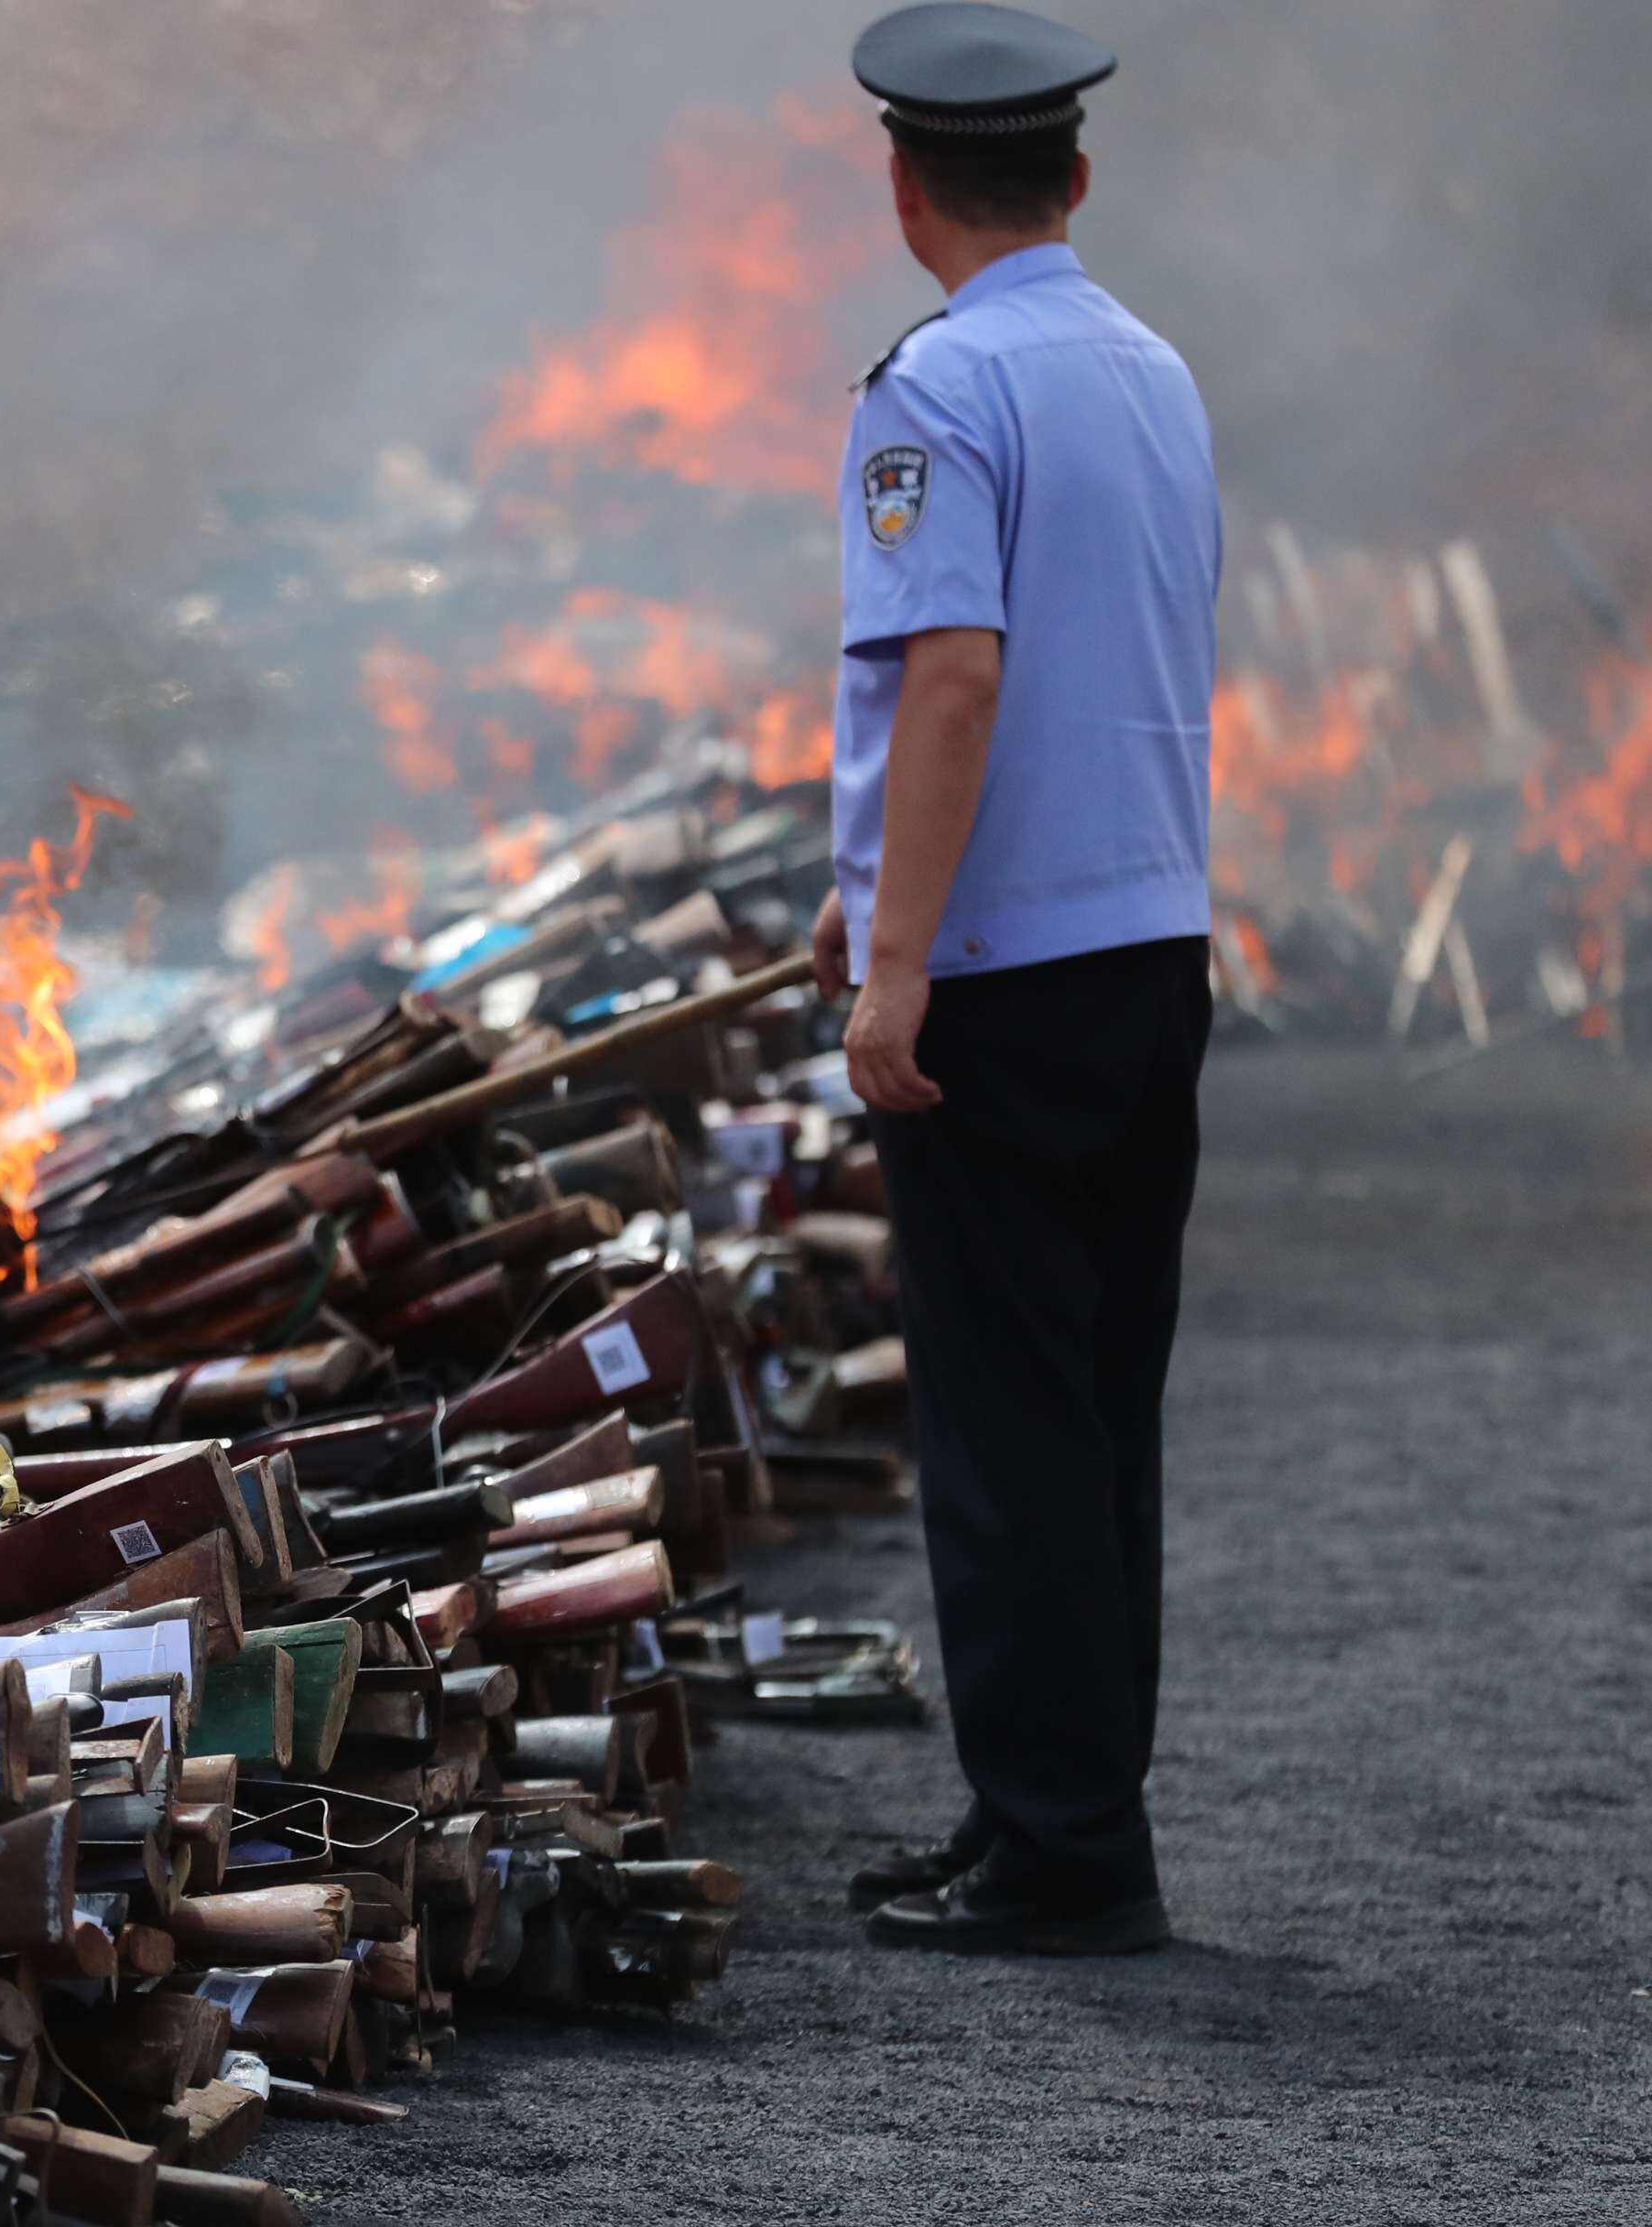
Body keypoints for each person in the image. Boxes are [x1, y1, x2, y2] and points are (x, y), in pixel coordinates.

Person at [811, 4, 1221, 1955]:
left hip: (1002, 987)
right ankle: (1058, 1815)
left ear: (908, 185)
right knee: (1099, 1411)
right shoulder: (1154, 374)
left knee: (1002, 1423)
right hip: (1147, 950)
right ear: (1076, 173)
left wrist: (895, 966)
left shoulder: (937, 390)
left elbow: (955, 673)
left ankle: (1060, 1846)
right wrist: (868, 894)